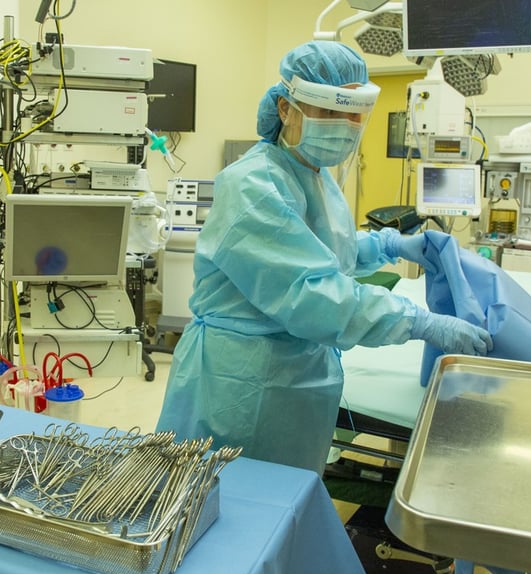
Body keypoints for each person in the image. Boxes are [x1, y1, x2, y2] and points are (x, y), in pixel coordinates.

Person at [154, 41, 492, 476]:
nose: (346, 127)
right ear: (286, 109)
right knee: (221, 499)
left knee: (286, 498)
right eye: (331, 112)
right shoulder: (252, 184)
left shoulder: (313, 174)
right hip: (240, 382)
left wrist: (387, 245)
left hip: (295, 372)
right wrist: (418, 322)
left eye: (355, 115)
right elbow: (311, 292)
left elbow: (325, 250)